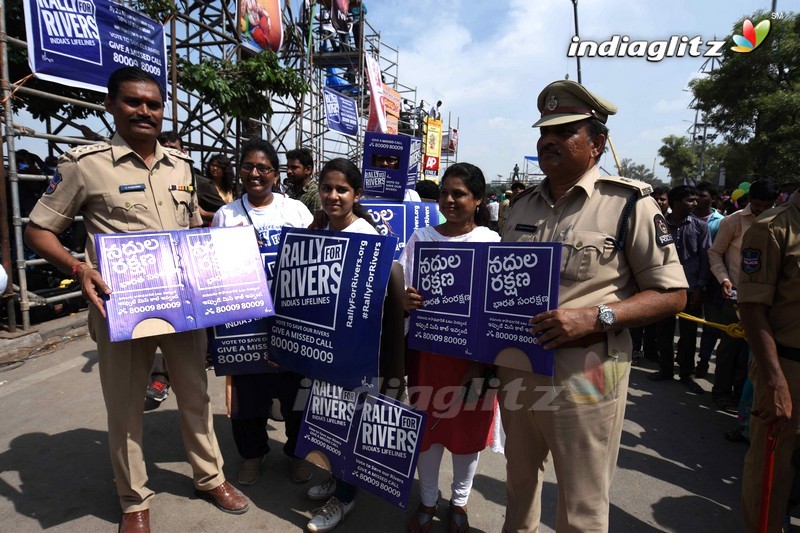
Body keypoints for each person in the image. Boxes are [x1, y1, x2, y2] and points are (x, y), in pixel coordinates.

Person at [23, 66, 249, 533]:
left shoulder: (181, 166)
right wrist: (79, 268)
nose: (145, 111)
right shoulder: (85, 165)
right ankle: (134, 500)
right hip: (120, 309)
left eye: (154, 103)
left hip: (183, 306)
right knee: (126, 408)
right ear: (111, 105)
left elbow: (189, 231)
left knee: (195, 396)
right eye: (133, 102)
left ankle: (210, 478)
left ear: (164, 109)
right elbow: (38, 228)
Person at [499, 80, 687, 532]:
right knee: (519, 485)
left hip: (587, 375)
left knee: (581, 506)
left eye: (564, 131)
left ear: (598, 142)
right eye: (545, 131)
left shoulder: (628, 204)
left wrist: (595, 316)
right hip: (518, 371)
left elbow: (673, 294)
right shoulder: (520, 206)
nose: (548, 140)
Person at [401, 162, 499, 533]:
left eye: (459, 193)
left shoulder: (490, 243)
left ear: (477, 200)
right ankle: (428, 500)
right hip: (428, 357)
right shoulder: (421, 238)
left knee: (467, 436)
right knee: (428, 434)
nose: (449, 200)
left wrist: (486, 363)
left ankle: (459, 503)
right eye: (444, 192)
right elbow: (401, 288)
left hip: (474, 362)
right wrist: (404, 299)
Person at [211, 138, 314, 487]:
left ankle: (298, 455)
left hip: (290, 320)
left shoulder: (296, 211)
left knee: (296, 397)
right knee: (248, 398)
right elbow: (215, 269)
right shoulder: (227, 215)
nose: (255, 174)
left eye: (263, 168)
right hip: (244, 323)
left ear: (275, 173)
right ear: (239, 171)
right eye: (248, 167)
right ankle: (252, 456)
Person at [303, 158, 382, 532]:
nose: (333, 196)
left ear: (357, 194)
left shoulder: (366, 236)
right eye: (327, 188)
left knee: (351, 424)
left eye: (342, 189)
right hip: (324, 348)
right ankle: (336, 477)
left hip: (354, 353)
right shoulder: (320, 230)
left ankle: (346, 498)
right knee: (328, 419)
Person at [738, 185, 800, 532]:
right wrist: (774, 380)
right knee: (772, 473)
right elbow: (752, 308)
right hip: (787, 368)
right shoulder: (773, 227)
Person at [709, 179, 780, 412]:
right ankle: (720, 393)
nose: (760, 209)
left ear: (775, 201)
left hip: (766, 299)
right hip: (736, 296)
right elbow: (715, 253)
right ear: (749, 200)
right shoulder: (733, 221)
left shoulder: (782, 221)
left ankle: (742, 398)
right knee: (730, 347)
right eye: (756, 204)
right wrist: (724, 279)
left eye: (765, 205)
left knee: (753, 352)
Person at [648, 185, 710, 394]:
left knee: (689, 334)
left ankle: (686, 374)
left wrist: (701, 287)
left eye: (696, 200)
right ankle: (665, 369)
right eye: (690, 200)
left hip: (691, 290)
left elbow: (705, 258)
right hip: (665, 289)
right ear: (675, 203)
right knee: (664, 332)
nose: (696, 203)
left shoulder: (700, 227)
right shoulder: (660, 226)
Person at [694, 181, 726, 378]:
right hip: (692, 280)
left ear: (712, 198)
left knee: (711, 326)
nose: (698, 199)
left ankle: (703, 362)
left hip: (714, 281)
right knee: (690, 322)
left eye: (703, 196)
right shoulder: (686, 219)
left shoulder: (722, 222)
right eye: (696, 195)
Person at [198, 154, 236, 223]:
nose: (214, 168)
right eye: (212, 165)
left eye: (218, 166)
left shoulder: (230, 189)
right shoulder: (205, 185)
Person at [285, 147, 321, 214]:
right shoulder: (289, 192)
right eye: (288, 167)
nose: (288, 171)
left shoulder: (315, 194)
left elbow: (317, 223)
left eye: (294, 167)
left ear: (308, 170)